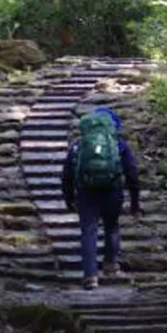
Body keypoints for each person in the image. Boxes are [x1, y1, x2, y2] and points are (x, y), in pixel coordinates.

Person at [62, 106, 141, 290]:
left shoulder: (79, 145)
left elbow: (67, 174)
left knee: (88, 231)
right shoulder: (119, 145)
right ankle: (110, 263)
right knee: (111, 226)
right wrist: (135, 204)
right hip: (113, 192)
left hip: (86, 193)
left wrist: (68, 198)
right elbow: (132, 174)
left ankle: (90, 276)